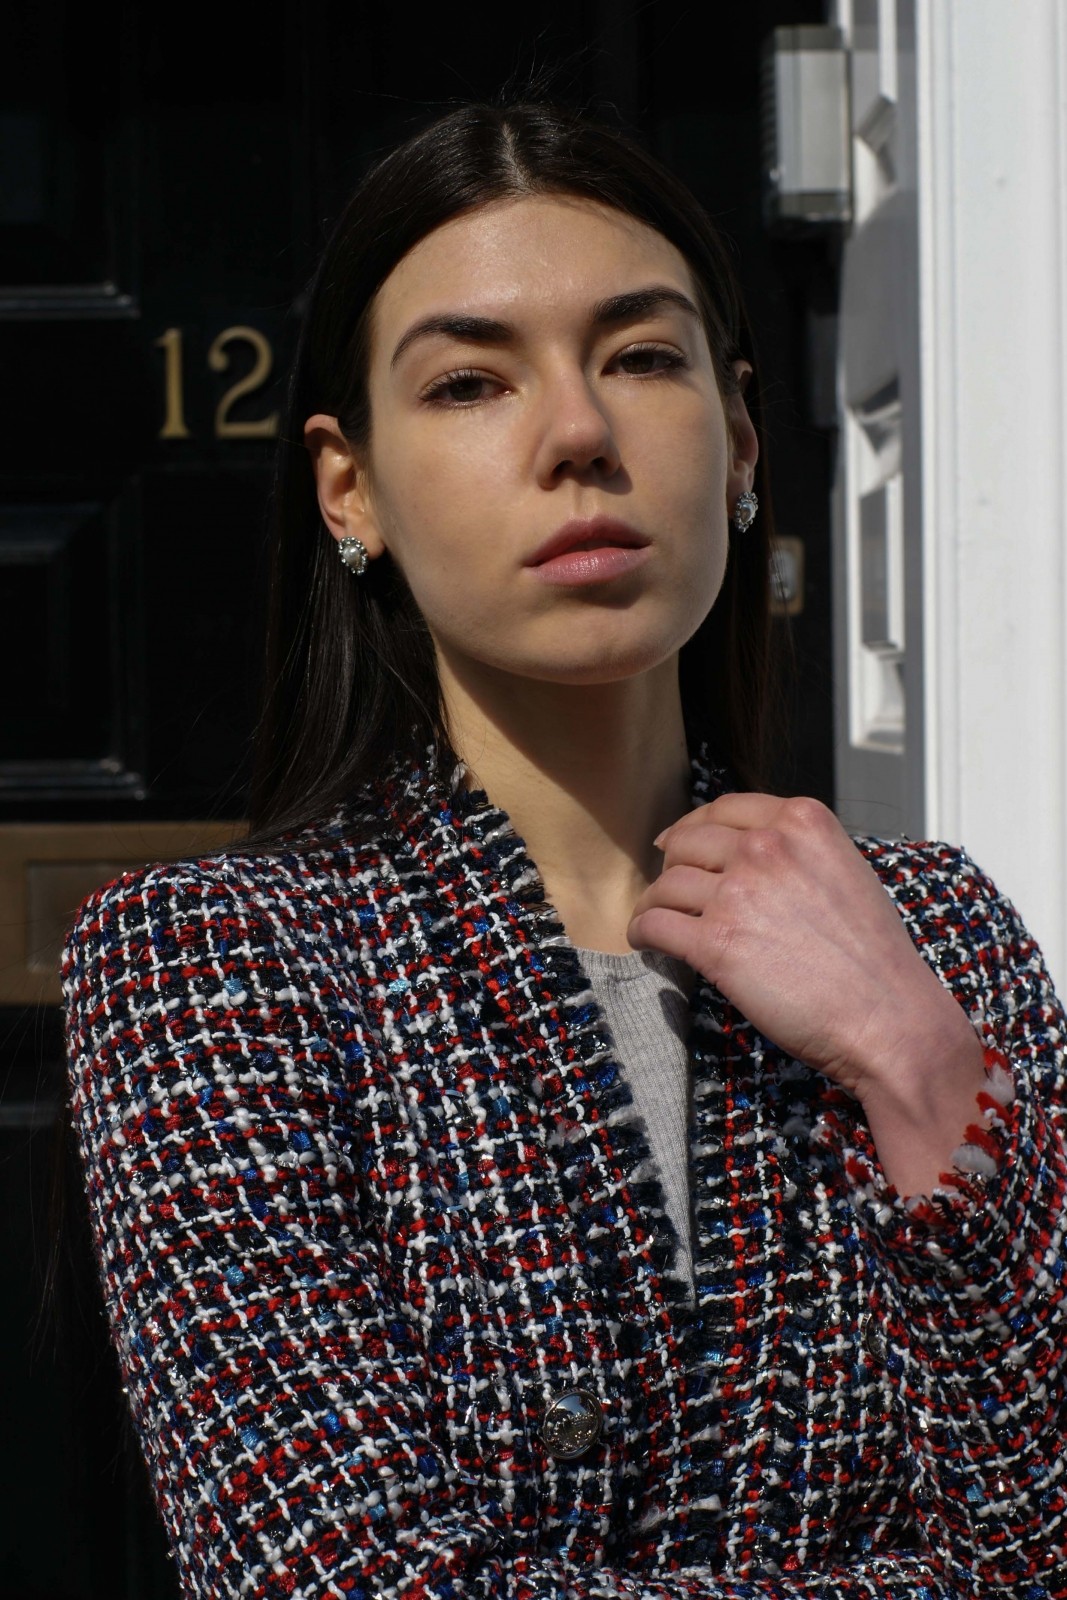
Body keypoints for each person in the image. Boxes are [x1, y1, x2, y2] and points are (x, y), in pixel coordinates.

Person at [62, 102, 1067, 1599]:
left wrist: (920, 1074)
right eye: (471, 381)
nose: (581, 434)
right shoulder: (213, 965)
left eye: (642, 358)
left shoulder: (933, 936)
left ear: (737, 437)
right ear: (353, 490)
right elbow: (345, 1578)